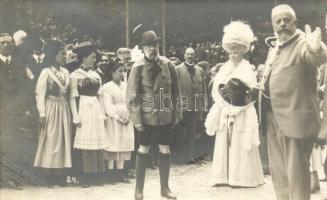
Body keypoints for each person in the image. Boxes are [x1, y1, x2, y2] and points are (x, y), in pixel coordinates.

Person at [258, 4, 327, 200]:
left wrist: (317, 47)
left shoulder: (302, 43)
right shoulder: (276, 47)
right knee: (279, 175)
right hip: (273, 119)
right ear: (273, 25)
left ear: (294, 22)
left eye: (286, 20)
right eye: (278, 21)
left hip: (295, 122)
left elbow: (317, 55)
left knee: (296, 177)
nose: (282, 24)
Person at [205, 21, 264, 187]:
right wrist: (225, 108)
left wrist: (236, 109)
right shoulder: (224, 68)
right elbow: (216, 90)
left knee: (241, 143)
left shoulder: (247, 68)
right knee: (224, 142)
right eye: (231, 52)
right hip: (225, 112)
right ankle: (223, 177)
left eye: (236, 51)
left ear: (242, 51)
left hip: (242, 113)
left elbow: (252, 94)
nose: (233, 54)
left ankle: (242, 178)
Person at [126, 30, 181, 200]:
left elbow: (176, 92)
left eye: (155, 45)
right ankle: (139, 191)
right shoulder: (137, 67)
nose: (153, 49)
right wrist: (136, 120)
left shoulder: (168, 64)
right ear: (143, 48)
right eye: (149, 46)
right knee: (144, 149)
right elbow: (132, 96)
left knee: (165, 149)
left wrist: (177, 112)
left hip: (164, 115)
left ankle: (165, 189)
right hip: (146, 117)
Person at [33, 40, 72, 187]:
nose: (65, 56)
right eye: (62, 54)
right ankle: (48, 176)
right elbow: (39, 93)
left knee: (63, 140)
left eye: (66, 54)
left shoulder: (66, 72)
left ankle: (60, 174)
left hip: (63, 108)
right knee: (52, 140)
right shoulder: (46, 72)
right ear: (53, 55)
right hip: (51, 107)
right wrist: (42, 113)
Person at [70, 41, 107, 186]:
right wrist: (75, 116)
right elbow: (72, 97)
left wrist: (103, 114)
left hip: (95, 108)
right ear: (84, 57)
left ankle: (96, 174)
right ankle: (83, 176)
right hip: (83, 108)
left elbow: (100, 96)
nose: (94, 59)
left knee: (96, 138)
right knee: (85, 139)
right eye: (92, 57)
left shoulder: (96, 75)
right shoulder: (75, 75)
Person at [101, 57, 134, 183]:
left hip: (126, 117)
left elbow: (131, 101)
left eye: (123, 71)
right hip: (114, 119)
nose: (122, 74)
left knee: (123, 144)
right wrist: (118, 118)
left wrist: (129, 115)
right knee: (113, 143)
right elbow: (107, 105)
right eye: (120, 71)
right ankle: (110, 173)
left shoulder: (126, 86)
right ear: (112, 72)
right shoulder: (107, 87)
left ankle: (120, 172)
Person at [176, 48, 208, 164]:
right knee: (181, 133)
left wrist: (204, 105)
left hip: (195, 107)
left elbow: (203, 89)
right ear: (184, 55)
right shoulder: (178, 70)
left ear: (195, 56)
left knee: (192, 132)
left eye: (192, 54)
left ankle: (189, 156)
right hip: (182, 107)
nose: (190, 56)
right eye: (188, 54)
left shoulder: (199, 70)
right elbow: (174, 89)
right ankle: (180, 157)